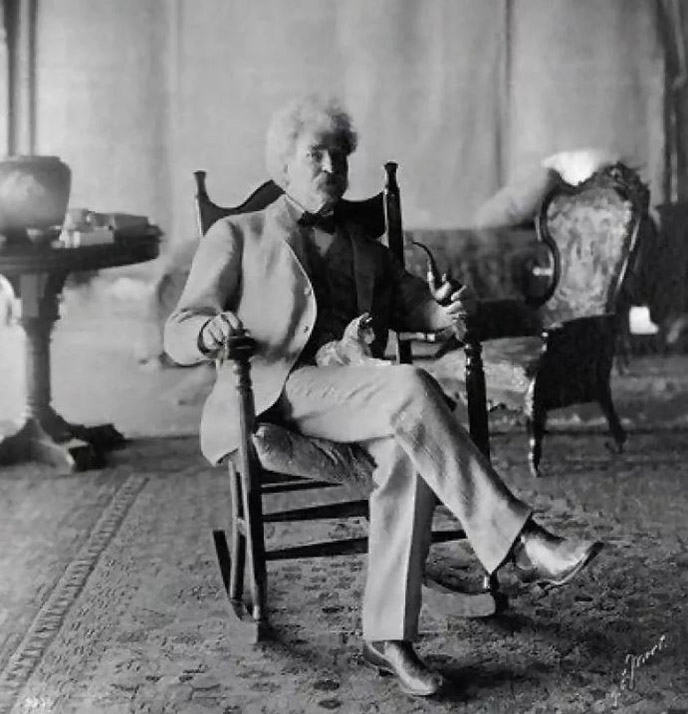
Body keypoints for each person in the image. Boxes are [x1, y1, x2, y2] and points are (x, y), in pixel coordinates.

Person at [164, 94, 603, 698]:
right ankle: (521, 540)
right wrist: (210, 330)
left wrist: (444, 311)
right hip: (273, 392)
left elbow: (414, 304)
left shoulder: (364, 247)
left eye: (340, 157)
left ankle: (388, 636)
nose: (332, 167)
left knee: (406, 455)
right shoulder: (238, 234)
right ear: (283, 166)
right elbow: (180, 328)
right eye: (315, 155)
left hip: (353, 392)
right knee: (411, 384)